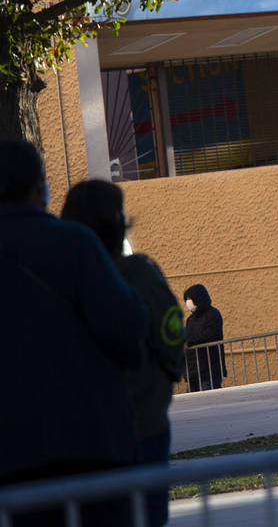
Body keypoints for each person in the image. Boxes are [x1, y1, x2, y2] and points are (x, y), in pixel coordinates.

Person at [0, 137, 147, 526]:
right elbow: (126, 331)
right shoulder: (74, 243)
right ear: (39, 187)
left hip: (13, 459)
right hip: (93, 443)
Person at [60, 180, 185, 527]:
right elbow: (172, 334)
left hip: (85, 435)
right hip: (143, 424)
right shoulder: (139, 274)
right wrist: (164, 379)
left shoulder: (62, 280)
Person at [183, 283, 226, 391]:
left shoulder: (213, 314)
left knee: (210, 402)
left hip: (209, 370)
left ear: (198, 298)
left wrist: (190, 342)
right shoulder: (190, 319)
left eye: (190, 299)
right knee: (192, 404)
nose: (188, 302)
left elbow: (211, 334)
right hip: (193, 371)